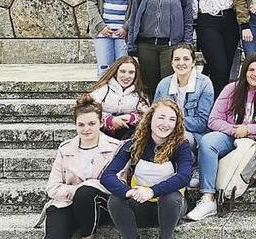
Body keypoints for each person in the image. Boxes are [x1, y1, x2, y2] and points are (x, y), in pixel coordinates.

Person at [186, 54, 256, 222]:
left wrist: (249, 129)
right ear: (244, 71)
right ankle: (208, 198)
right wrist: (235, 130)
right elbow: (213, 120)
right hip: (231, 135)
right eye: (251, 69)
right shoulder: (231, 89)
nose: (255, 74)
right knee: (207, 141)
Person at [101, 99, 192, 239]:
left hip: (170, 210)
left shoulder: (181, 146)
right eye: (161, 117)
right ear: (150, 119)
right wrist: (128, 192)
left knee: (171, 197)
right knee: (115, 199)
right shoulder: (135, 143)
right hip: (141, 205)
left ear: (176, 124)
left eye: (172, 120)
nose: (165, 124)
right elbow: (107, 176)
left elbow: (184, 177)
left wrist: (152, 191)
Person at [39, 95, 121, 239]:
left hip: (99, 205)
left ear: (101, 123)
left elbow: (119, 184)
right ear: (75, 124)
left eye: (91, 123)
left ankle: (87, 236)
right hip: (66, 203)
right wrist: (77, 191)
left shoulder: (114, 148)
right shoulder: (65, 149)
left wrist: (86, 189)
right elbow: (52, 187)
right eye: (81, 125)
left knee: (85, 194)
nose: (86, 129)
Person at [125, 0, 193, 94]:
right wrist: (131, 47)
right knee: (148, 86)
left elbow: (188, 21)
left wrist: (186, 44)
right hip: (145, 46)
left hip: (170, 46)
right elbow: (134, 19)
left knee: (168, 87)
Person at [153, 44, 214, 150]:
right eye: (177, 59)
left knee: (180, 139)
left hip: (193, 135)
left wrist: (172, 122)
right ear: (172, 63)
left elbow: (202, 123)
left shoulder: (204, 83)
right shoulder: (163, 84)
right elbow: (154, 115)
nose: (181, 63)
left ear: (193, 62)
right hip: (164, 129)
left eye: (186, 59)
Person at [87, 56, 150, 139]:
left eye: (131, 72)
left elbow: (147, 114)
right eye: (122, 71)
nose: (126, 76)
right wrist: (109, 120)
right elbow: (87, 109)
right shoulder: (104, 89)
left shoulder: (139, 93)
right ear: (116, 72)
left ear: (135, 75)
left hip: (129, 134)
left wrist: (132, 118)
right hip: (103, 133)